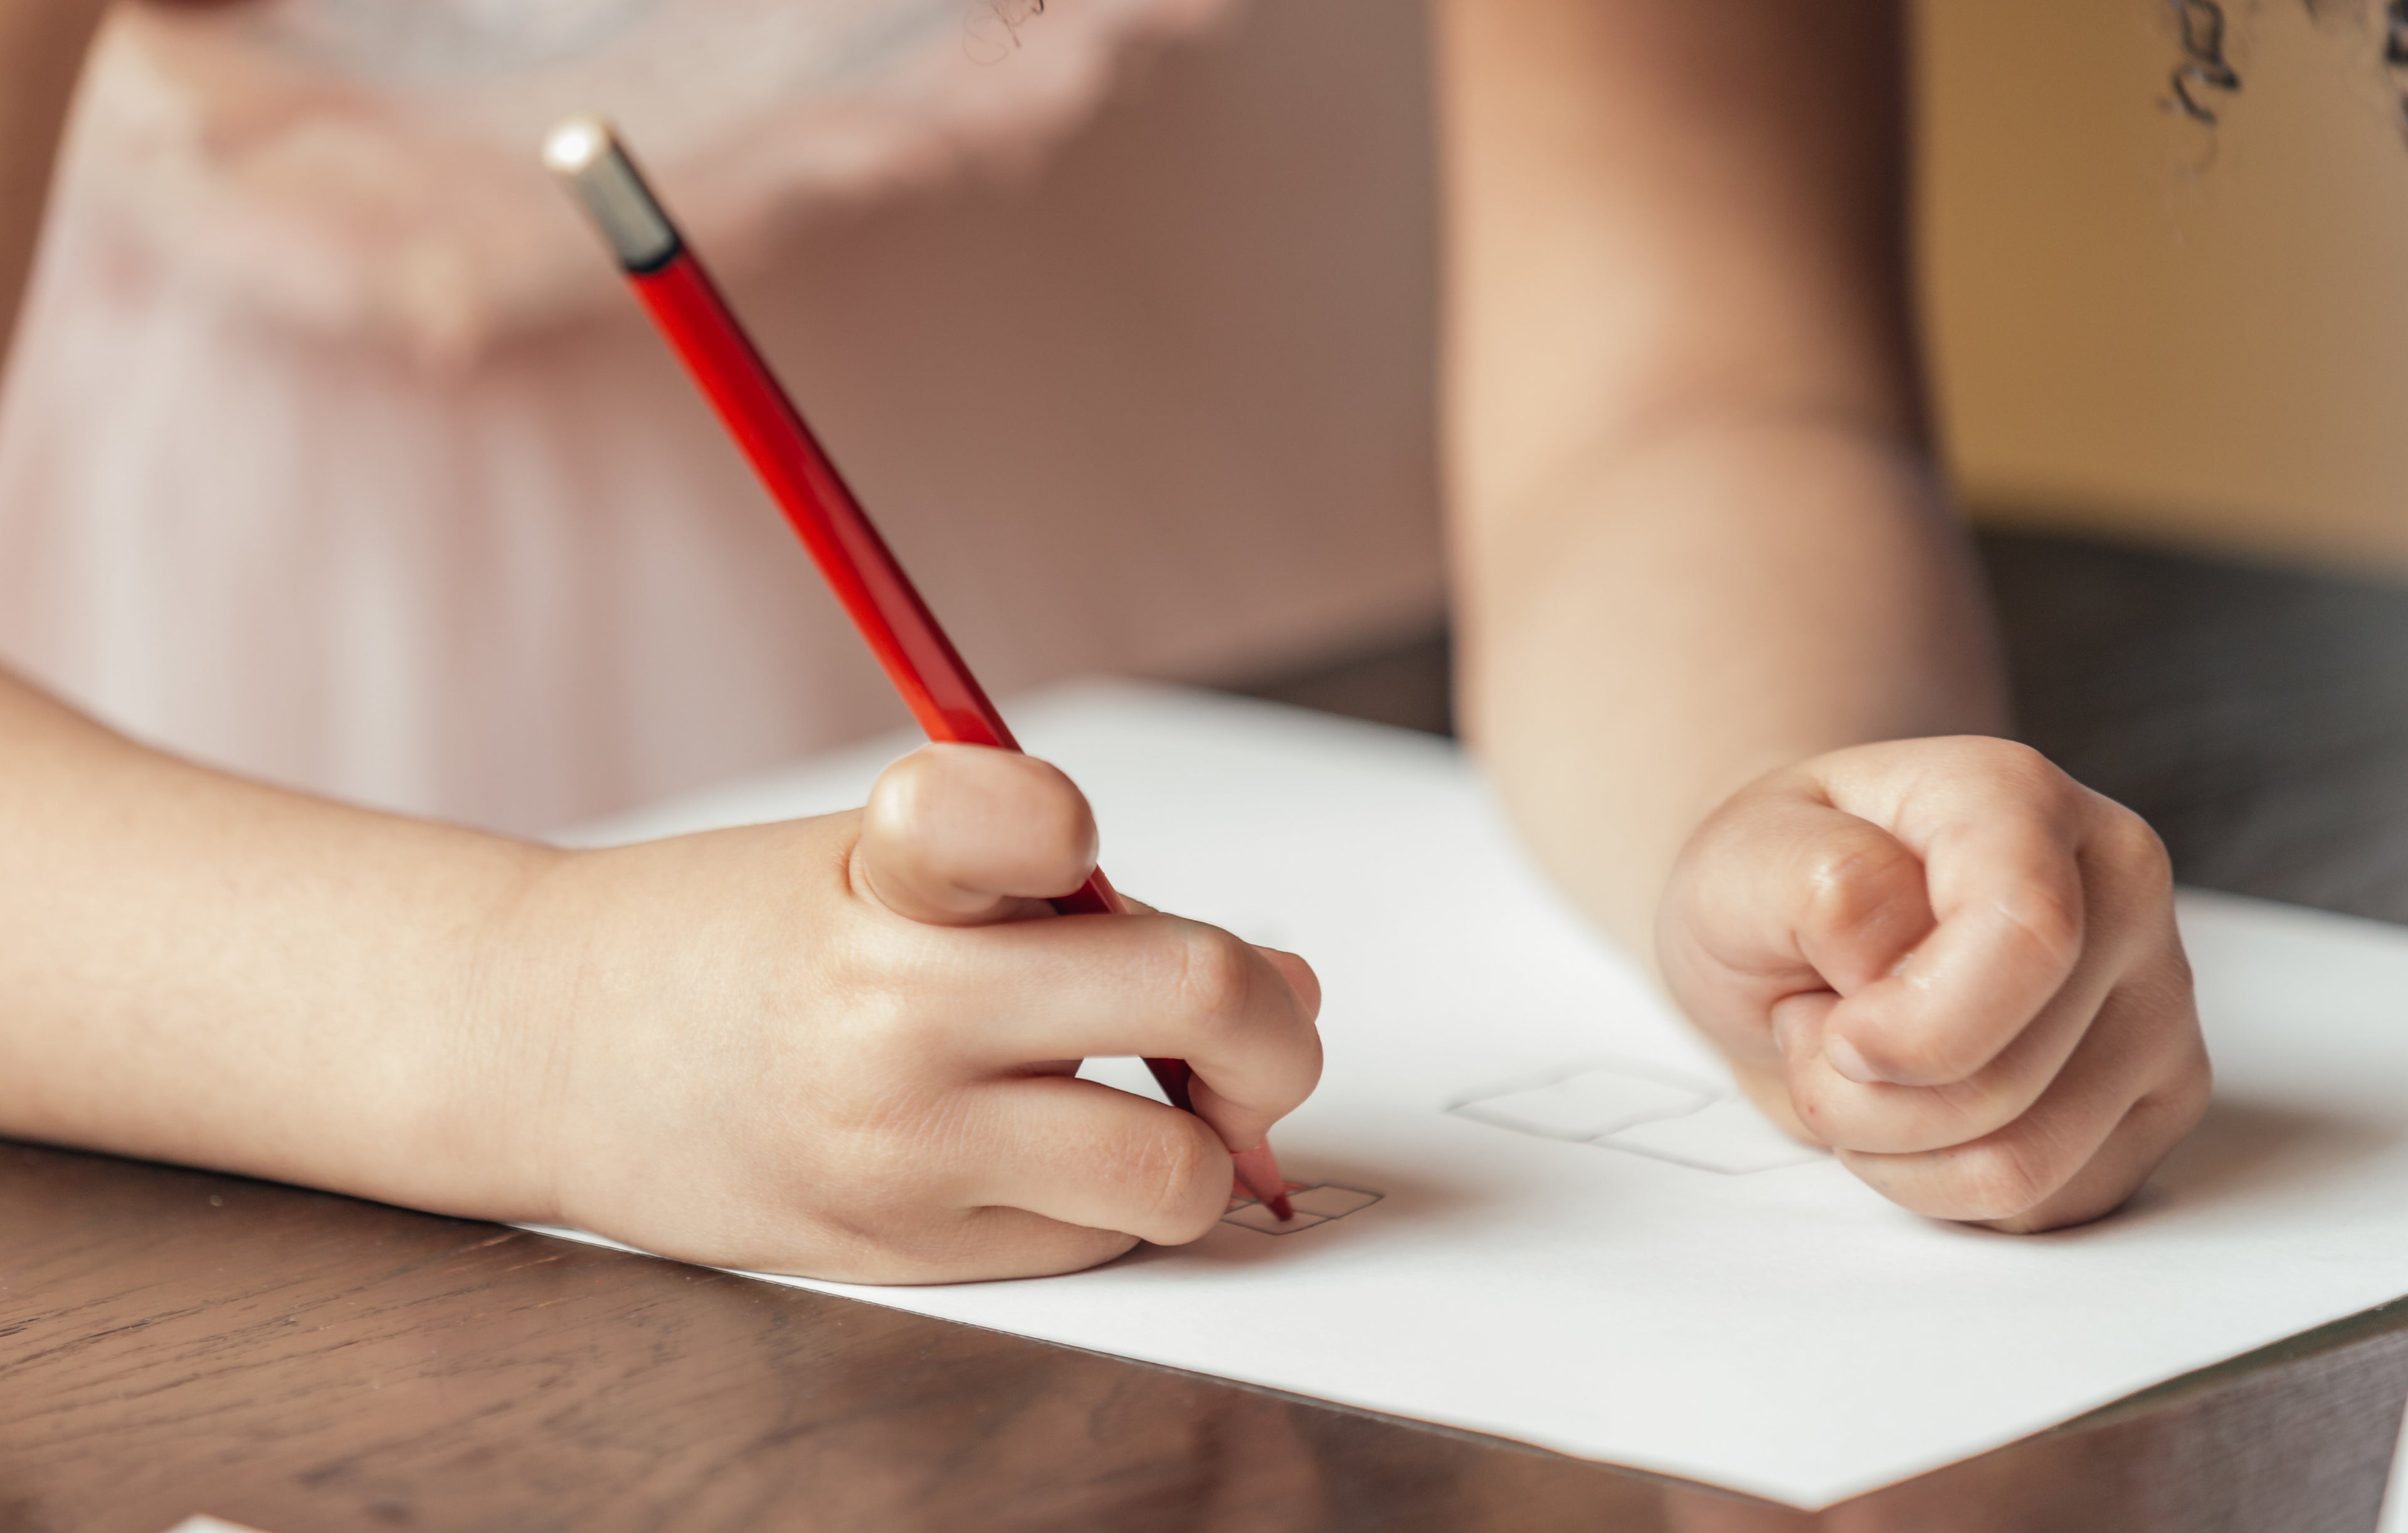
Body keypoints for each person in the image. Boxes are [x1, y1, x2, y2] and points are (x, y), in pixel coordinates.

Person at [0, 0, 2211, 1284]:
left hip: (1220, 497)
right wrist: (561, 1019)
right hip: (243, 823)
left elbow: (1686, 389)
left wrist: (1792, 816)